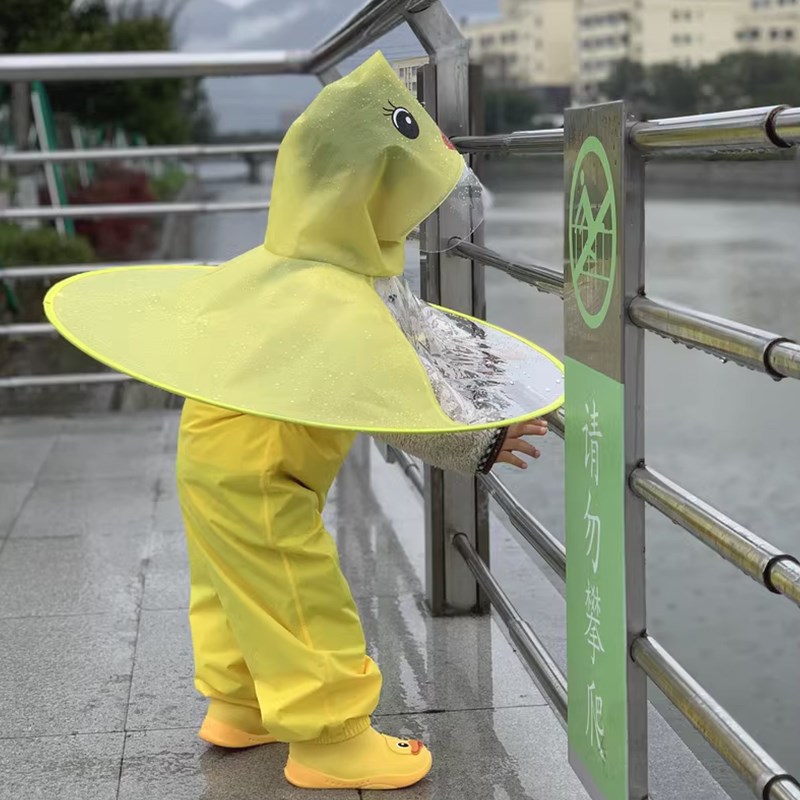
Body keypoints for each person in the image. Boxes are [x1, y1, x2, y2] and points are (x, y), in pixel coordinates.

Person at [43, 51, 563, 791]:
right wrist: (481, 439)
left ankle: (240, 705)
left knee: (232, 587)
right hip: (264, 472)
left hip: (214, 453)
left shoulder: (282, 262)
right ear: (369, 196)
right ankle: (330, 741)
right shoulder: (339, 295)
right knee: (295, 592)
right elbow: (386, 397)